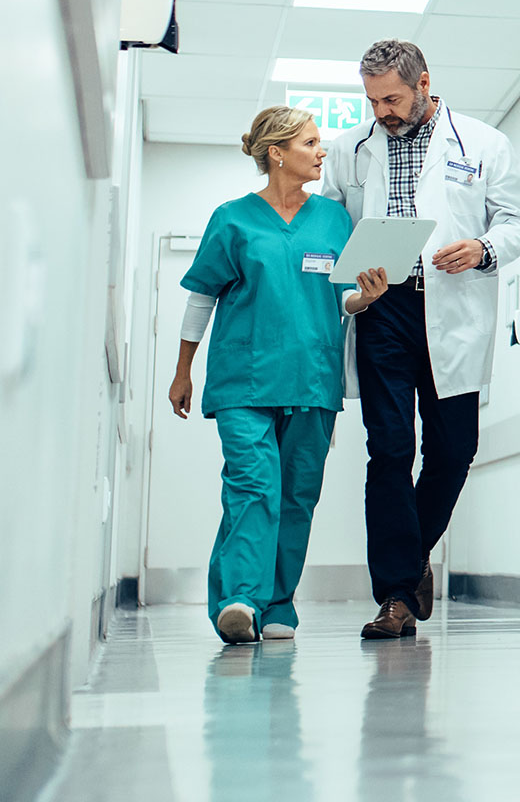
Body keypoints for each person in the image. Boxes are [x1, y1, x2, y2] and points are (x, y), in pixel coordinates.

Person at [323, 39, 520, 639]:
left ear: (423, 84)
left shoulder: (483, 144)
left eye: (392, 98)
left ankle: (410, 561)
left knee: (452, 453)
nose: (382, 112)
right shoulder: (351, 149)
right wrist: (346, 277)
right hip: (383, 307)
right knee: (389, 451)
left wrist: (484, 248)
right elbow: (331, 223)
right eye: (372, 101)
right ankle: (395, 596)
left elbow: (515, 223)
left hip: (453, 306)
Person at [168, 106, 388, 644]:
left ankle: (277, 604)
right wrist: (182, 371)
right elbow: (202, 297)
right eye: (312, 143)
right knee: (253, 485)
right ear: (277, 153)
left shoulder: (333, 220)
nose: (322, 153)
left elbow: (344, 297)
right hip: (243, 379)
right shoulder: (233, 218)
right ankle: (240, 598)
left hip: (313, 380)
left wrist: (368, 298)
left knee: (296, 497)